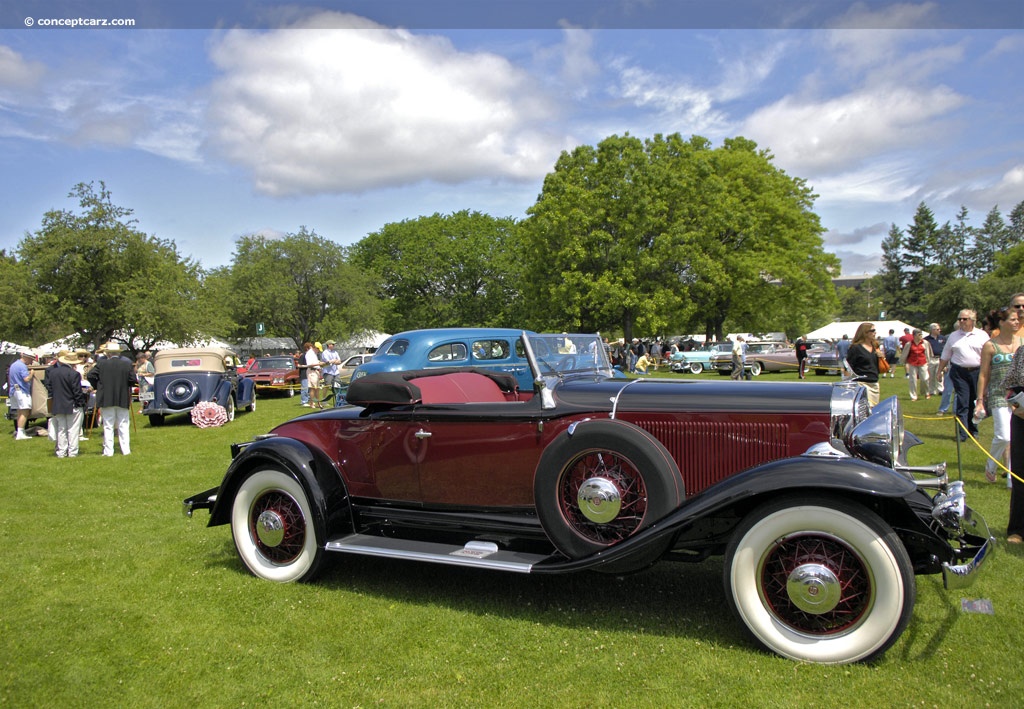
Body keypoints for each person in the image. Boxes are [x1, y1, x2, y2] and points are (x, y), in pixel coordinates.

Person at [975, 306, 1021, 482]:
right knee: (1003, 436)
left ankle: (1011, 478)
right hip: (998, 394)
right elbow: (983, 374)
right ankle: (991, 465)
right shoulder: (990, 345)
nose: (1016, 322)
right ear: (1002, 323)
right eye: (1013, 319)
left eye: (1017, 320)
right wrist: (980, 400)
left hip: (1019, 396)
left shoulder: (1022, 342)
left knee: (1016, 438)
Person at [936, 309, 990, 442]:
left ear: (972, 320)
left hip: (977, 372)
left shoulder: (982, 335)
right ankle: (962, 433)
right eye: (959, 319)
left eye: (964, 319)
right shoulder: (953, 336)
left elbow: (989, 354)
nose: (961, 321)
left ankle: (973, 430)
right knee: (962, 401)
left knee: (975, 401)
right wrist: (939, 371)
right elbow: (946, 355)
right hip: (959, 372)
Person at [86, 341, 138, 456]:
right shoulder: (127, 364)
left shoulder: (101, 364)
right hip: (122, 397)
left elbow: (90, 375)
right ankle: (126, 450)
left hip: (106, 397)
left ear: (108, 354)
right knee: (123, 424)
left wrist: (97, 386)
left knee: (108, 425)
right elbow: (133, 380)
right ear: (118, 353)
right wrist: (126, 385)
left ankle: (108, 451)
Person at [999, 343, 1024, 543]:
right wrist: (1015, 403)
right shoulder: (1022, 352)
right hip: (1022, 417)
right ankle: (1018, 529)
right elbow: (1008, 385)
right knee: (1021, 471)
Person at [47, 350, 88, 457]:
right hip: (72, 404)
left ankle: (61, 451)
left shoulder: (53, 373)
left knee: (61, 430)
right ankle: (72, 452)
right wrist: (80, 403)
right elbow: (76, 391)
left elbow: (50, 389)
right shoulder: (74, 374)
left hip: (58, 404)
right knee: (73, 430)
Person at [846, 323, 881, 408]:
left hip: (874, 382)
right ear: (865, 332)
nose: (875, 333)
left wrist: (881, 357)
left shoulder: (875, 346)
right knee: (865, 408)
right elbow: (848, 367)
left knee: (874, 409)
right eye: (872, 330)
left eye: (875, 330)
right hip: (861, 383)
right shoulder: (855, 348)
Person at [8, 349, 36, 440]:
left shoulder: (14, 365)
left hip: (14, 390)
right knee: (24, 412)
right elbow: (26, 379)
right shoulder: (22, 366)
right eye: (31, 359)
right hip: (22, 391)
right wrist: (31, 374)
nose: (31, 362)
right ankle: (20, 432)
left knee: (20, 412)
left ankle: (20, 431)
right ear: (27, 358)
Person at [899, 329, 932, 401]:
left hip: (923, 362)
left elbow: (929, 352)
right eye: (919, 334)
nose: (921, 336)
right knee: (913, 380)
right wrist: (904, 361)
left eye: (921, 334)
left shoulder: (925, 343)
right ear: (914, 335)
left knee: (924, 378)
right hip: (912, 363)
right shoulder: (909, 344)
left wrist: (929, 360)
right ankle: (913, 396)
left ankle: (926, 392)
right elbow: (905, 353)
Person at [924, 323, 946, 399]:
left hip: (940, 358)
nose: (939, 330)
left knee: (940, 374)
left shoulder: (942, 338)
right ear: (932, 330)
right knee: (931, 375)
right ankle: (932, 390)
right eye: (937, 329)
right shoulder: (926, 339)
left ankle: (941, 389)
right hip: (931, 359)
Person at [303, 341, 323, 409]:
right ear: (315, 348)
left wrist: (321, 364)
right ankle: (312, 403)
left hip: (316, 371)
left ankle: (317, 402)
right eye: (318, 349)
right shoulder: (309, 354)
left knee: (317, 388)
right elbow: (309, 364)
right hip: (311, 371)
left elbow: (316, 362)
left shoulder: (314, 353)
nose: (319, 351)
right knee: (313, 388)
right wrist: (318, 364)